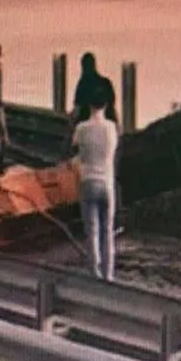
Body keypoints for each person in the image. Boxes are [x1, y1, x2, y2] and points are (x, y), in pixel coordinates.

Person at [73, 84, 120, 282]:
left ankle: (94, 272)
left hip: (88, 181)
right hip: (107, 184)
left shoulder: (82, 128)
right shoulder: (111, 128)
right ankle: (108, 275)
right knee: (107, 231)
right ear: (106, 105)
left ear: (89, 105)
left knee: (92, 230)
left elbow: (75, 148)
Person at [71, 52, 118, 128]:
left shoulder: (83, 84)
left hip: (86, 126)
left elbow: (77, 108)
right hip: (108, 126)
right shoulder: (106, 83)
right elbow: (112, 108)